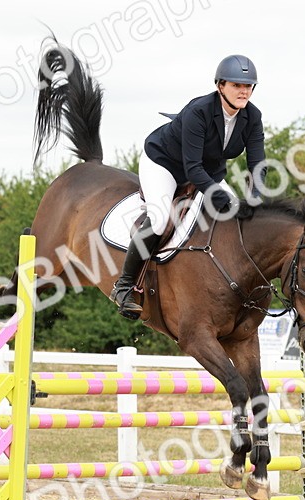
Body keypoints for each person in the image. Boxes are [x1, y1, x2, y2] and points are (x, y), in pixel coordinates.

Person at [109, 54, 268, 319]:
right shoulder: (200, 111)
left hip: (209, 171)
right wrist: (215, 193)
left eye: (248, 86)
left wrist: (256, 197)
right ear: (220, 86)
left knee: (237, 218)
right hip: (165, 164)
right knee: (160, 220)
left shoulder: (252, 117)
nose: (244, 91)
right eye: (236, 85)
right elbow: (192, 166)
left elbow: (258, 164)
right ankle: (124, 286)